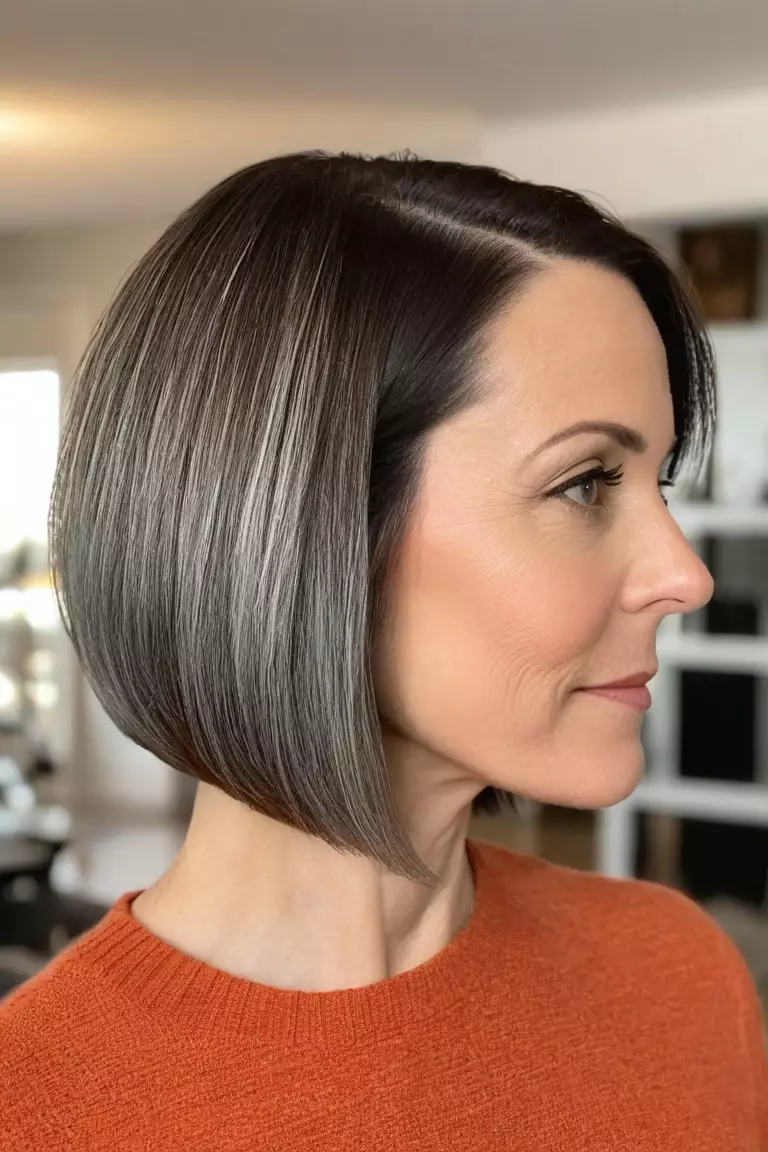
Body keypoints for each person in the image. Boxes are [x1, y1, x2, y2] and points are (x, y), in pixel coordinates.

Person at [1, 152, 766, 1150]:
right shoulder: (36, 1109)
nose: (685, 574)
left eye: (660, 481)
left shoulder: (679, 981)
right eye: (586, 482)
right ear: (307, 525)